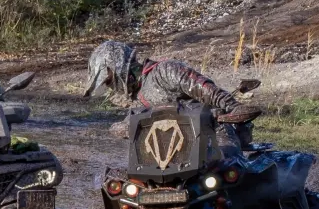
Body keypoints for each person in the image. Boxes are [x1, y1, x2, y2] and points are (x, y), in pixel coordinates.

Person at [82, 40, 260, 148]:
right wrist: (118, 129)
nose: (111, 86)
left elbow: (205, 89)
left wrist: (234, 107)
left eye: (108, 79)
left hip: (213, 133)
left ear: (119, 67)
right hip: (177, 148)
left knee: (227, 166)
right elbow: (128, 122)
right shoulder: (138, 99)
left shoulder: (165, 71)